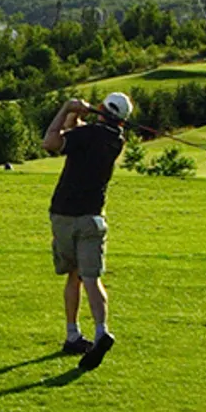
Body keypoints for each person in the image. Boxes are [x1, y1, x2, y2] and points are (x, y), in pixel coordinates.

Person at [43, 92, 129, 370]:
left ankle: (72, 332)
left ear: (102, 109)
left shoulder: (89, 135)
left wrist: (66, 108)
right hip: (93, 217)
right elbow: (77, 132)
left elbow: (52, 142)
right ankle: (99, 332)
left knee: (73, 275)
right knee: (90, 278)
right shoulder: (115, 140)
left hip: (65, 215)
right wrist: (78, 115)